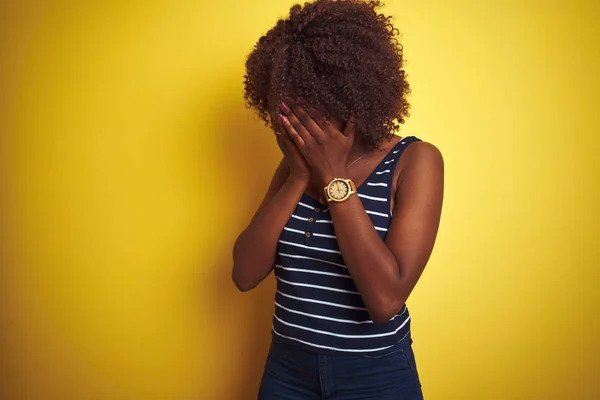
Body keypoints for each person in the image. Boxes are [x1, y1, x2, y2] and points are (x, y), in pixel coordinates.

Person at [232, 0, 444, 398]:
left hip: (375, 377)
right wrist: (298, 175)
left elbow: (385, 300)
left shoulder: (415, 160)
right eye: (289, 106)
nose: (298, 120)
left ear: (353, 93)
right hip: (287, 370)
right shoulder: (295, 164)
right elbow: (244, 275)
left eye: (312, 103)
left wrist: (333, 175)